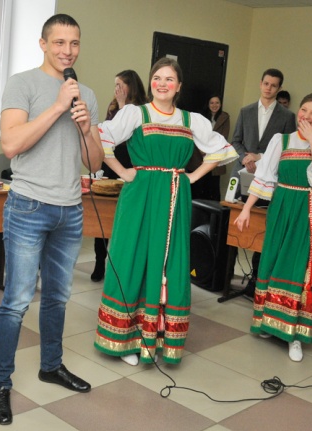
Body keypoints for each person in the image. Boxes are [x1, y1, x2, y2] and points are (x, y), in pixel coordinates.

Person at [0, 13, 102, 426]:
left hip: (70, 209)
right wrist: (57, 107)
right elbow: (11, 144)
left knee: (58, 297)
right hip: (28, 207)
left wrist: (86, 129)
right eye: (59, 43)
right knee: (17, 301)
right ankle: (0, 384)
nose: (68, 51)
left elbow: (94, 162)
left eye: (74, 43)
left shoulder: (86, 93)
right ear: (43, 44)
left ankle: (51, 366)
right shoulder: (23, 83)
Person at [93, 57, 237, 366]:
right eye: (157, 77)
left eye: (169, 79)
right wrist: (123, 171)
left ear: (179, 86)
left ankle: (157, 336)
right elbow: (101, 138)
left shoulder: (191, 120)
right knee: (132, 256)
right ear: (150, 82)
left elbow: (221, 150)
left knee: (168, 261)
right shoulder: (136, 113)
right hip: (140, 194)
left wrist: (193, 177)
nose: (162, 83)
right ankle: (125, 339)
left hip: (174, 195)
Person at [234, 93, 312, 362]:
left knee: (300, 268)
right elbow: (263, 178)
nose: (306, 116)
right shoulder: (280, 140)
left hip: (310, 208)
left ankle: (294, 333)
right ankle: (268, 322)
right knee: (272, 262)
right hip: (282, 206)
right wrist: (247, 208)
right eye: (303, 110)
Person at [230, 69, 296, 299]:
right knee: (233, 225)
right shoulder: (246, 111)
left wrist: (260, 158)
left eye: (274, 85)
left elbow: (287, 148)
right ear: (260, 84)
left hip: (269, 179)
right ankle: (227, 276)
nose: (269, 88)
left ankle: (257, 280)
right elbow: (235, 141)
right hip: (243, 172)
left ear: (279, 88)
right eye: (266, 83)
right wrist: (244, 158)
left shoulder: (287, 116)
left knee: (263, 228)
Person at [91, 69, 147, 282]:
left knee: (124, 221)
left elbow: (125, 135)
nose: (116, 89)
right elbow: (106, 138)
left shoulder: (141, 110)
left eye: (120, 85)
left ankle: (122, 266)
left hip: (129, 167)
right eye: (115, 85)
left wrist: (124, 105)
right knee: (102, 219)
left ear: (131, 87)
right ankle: (99, 261)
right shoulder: (113, 108)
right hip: (110, 167)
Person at [190, 94, 231, 201]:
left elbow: (223, 137)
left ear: (220, 104)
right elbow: (195, 135)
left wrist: (209, 150)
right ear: (208, 105)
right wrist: (202, 149)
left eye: (217, 102)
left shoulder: (224, 117)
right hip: (199, 156)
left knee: (213, 187)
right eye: (211, 103)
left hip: (216, 155)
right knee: (199, 187)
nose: (214, 105)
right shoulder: (201, 117)